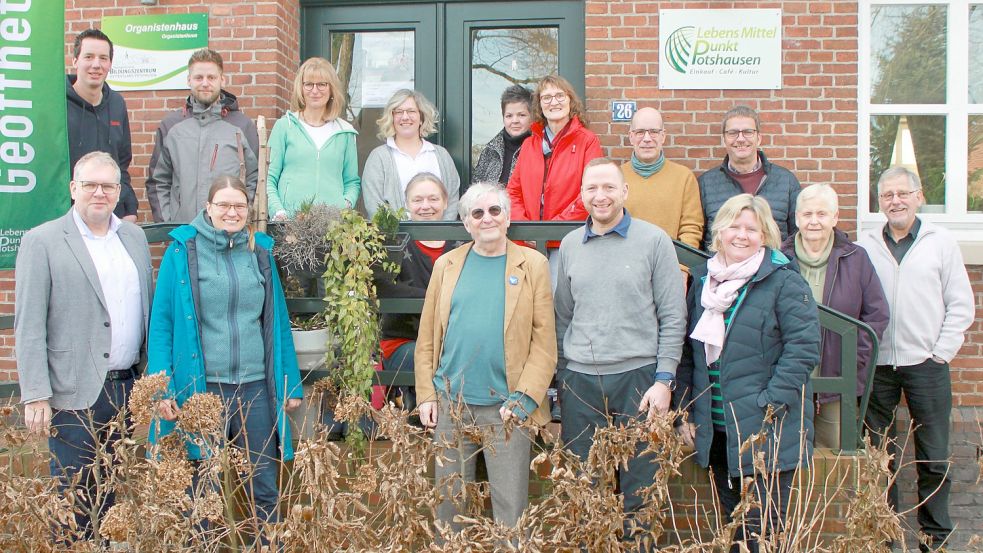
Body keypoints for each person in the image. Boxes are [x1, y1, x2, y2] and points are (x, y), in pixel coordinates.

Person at [147, 176, 303, 531]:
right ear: (208, 208)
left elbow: (277, 320)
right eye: (224, 205)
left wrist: (289, 381)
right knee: (206, 486)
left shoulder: (260, 251)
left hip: (255, 389)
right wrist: (161, 387)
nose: (232, 212)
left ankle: (270, 543)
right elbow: (162, 325)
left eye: (239, 206)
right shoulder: (181, 252)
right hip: (204, 390)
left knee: (264, 482)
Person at [15, 152, 153, 539]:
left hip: (127, 389)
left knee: (114, 497)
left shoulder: (134, 238)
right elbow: (28, 325)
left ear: (118, 191)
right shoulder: (42, 241)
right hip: (72, 393)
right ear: (73, 188)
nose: (99, 193)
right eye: (90, 185)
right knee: (75, 499)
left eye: (107, 186)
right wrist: (36, 394)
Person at [675, 193, 820, 553]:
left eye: (751, 229)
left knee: (763, 535)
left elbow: (803, 350)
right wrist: (687, 412)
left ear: (765, 235)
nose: (741, 235)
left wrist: (767, 403)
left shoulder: (784, 282)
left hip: (765, 432)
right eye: (733, 226)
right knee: (734, 531)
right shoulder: (704, 284)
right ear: (719, 232)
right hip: (719, 432)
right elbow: (690, 355)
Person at [553, 158, 687, 545]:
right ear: (582, 195)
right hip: (581, 382)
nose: (601, 196)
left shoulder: (654, 240)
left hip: (639, 380)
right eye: (592, 188)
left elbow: (673, 316)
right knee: (583, 486)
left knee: (640, 487)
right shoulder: (570, 245)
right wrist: (565, 376)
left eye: (609, 187)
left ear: (625, 191)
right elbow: (564, 315)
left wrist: (664, 380)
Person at [415, 182, 556, 531]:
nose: (487, 218)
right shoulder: (447, 265)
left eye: (495, 210)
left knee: (509, 508)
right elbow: (427, 338)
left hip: (507, 407)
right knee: (449, 504)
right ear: (466, 224)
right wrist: (426, 394)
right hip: (451, 404)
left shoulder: (533, 265)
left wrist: (525, 398)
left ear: (507, 218)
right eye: (477, 213)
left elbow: (544, 343)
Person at [858, 167, 974, 552]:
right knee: (879, 457)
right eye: (888, 195)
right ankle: (884, 538)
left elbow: (961, 303)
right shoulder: (866, 244)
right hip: (879, 365)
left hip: (927, 363)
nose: (896, 201)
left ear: (919, 196)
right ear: (879, 202)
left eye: (902, 193)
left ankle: (934, 540)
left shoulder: (940, 242)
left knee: (934, 456)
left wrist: (942, 352)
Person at [779, 184, 889, 450]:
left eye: (822, 213)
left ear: (835, 217)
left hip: (838, 383)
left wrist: (852, 362)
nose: (814, 221)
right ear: (796, 218)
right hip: (788, 382)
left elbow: (876, 315)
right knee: (788, 459)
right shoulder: (778, 258)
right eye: (807, 214)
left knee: (835, 462)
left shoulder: (856, 258)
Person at [375, 173, 461, 416]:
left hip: (451, 342)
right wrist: (435, 299)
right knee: (431, 358)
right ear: (407, 204)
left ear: (446, 202)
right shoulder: (393, 242)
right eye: (418, 199)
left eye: (433, 199)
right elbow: (383, 287)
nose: (426, 206)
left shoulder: (461, 243)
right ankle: (420, 419)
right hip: (403, 344)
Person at [146, 49, 259, 223]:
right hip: (184, 232)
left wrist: (240, 217)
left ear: (222, 80)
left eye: (211, 77)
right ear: (189, 80)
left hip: (229, 232)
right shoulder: (171, 126)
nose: (205, 83)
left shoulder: (242, 126)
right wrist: (167, 224)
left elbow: (255, 178)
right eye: (199, 77)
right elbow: (158, 180)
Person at [267, 57, 360, 220]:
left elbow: (352, 182)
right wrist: (278, 211)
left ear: (331, 89)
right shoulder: (284, 126)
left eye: (322, 84)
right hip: (290, 224)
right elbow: (269, 177)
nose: (315, 90)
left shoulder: (345, 132)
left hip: (332, 226)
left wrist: (345, 205)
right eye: (309, 84)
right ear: (301, 88)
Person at [697, 105, 801, 251]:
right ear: (724, 139)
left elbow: (798, 235)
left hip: (773, 271)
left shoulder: (786, 181)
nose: (740, 138)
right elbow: (698, 239)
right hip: (722, 272)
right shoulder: (705, 184)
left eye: (747, 132)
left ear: (758, 138)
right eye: (732, 133)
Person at [507, 75, 602, 224]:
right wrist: (526, 228)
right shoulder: (528, 145)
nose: (553, 102)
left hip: (568, 236)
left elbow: (593, 191)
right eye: (546, 97)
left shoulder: (587, 141)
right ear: (540, 105)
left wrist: (553, 228)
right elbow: (513, 192)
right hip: (529, 239)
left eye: (560, 96)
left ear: (570, 100)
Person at [66, 29, 138, 222]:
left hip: (110, 214)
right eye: (88, 56)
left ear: (110, 64)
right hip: (68, 214)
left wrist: (129, 208)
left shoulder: (117, 104)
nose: (96, 65)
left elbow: (121, 162)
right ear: (75, 61)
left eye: (103, 58)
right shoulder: (57, 104)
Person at [362, 89, 460, 220]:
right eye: (398, 112)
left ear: (421, 118)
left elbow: (452, 200)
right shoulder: (379, 157)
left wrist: (441, 235)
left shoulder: (441, 155)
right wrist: (397, 236)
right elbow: (373, 204)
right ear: (392, 118)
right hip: (395, 238)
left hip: (439, 238)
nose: (405, 117)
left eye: (411, 111)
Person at [622, 107, 703, 250]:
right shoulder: (616, 177)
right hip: (625, 266)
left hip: (669, 266)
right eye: (640, 132)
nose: (647, 138)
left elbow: (691, 229)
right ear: (631, 137)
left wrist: (681, 268)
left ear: (663, 136)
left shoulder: (684, 177)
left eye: (654, 132)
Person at [472, 85, 533, 185]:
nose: (515, 121)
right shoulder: (490, 151)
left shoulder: (540, 148)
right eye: (509, 116)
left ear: (532, 117)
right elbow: (476, 189)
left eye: (521, 115)